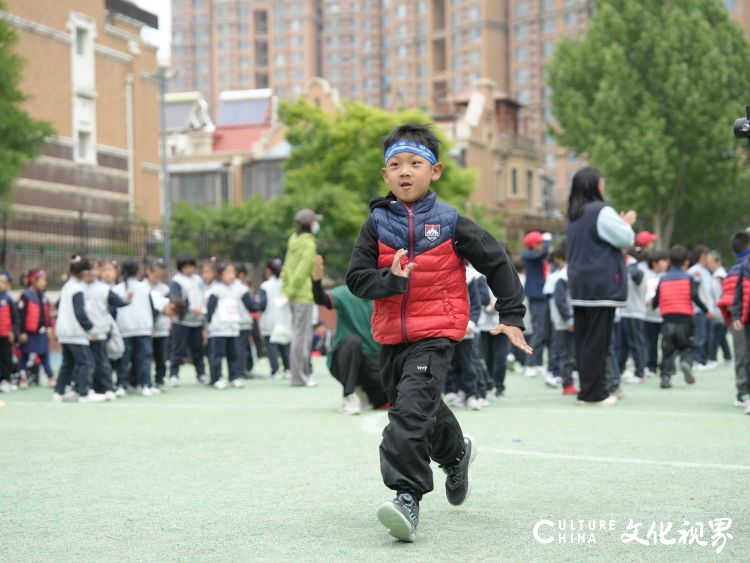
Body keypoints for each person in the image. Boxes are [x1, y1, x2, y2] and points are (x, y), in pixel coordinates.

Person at [346, 123, 531, 542]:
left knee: (408, 413)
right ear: (385, 175)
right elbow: (357, 280)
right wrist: (389, 280)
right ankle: (457, 453)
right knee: (423, 408)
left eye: (415, 163)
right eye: (395, 165)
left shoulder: (450, 222)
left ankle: (406, 497)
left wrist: (512, 314)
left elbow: (497, 261)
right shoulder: (375, 225)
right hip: (392, 336)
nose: (405, 172)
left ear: (436, 171)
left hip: (437, 333)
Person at [565, 167, 635, 406]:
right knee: (598, 342)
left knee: (585, 342)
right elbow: (626, 239)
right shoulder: (601, 211)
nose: (603, 186)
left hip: (579, 285)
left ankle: (587, 391)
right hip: (600, 285)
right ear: (593, 186)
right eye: (601, 182)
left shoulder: (574, 214)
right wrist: (626, 223)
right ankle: (594, 393)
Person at [310, 255, 388, 414]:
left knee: (393, 389)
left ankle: (368, 394)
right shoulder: (345, 293)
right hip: (343, 359)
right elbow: (321, 299)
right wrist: (316, 282)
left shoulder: (384, 297)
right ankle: (348, 396)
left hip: (371, 362)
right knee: (353, 342)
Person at [653, 245, 708, 389]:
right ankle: (686, 362)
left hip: (668, 319)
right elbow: (695, 297)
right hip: (685, 319)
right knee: (686, 346)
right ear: (686, 262)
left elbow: (656, 299)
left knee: (667, 349)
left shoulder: (663, 279)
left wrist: (652, 306)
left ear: (670, 261)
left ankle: (665, 376)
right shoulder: (688, 278)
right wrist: (706, 310)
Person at [53, 255, 104, 403]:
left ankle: (59, 392)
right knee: (86, 362)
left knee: (67, 364)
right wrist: (91, 330)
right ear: (85, 273)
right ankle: (84, 393)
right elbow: (80, 314)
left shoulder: (67, 286)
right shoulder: (77, 289)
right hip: (75, 334)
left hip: (64, 332)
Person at [282, 209, 322, 387]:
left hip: (292, 293)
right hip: (303, 294)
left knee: (298, 336)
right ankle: (300, 377)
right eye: (314, 221)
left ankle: (300, 375)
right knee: (302, 337)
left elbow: (287, 268)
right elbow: (302, 271)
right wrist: (291, 291)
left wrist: (286, 290)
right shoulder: (309, 244)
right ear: (309, 224)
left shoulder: (293, 240)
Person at [113, 260, 160, 397]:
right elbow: (152, 309)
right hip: (143, 328)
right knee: (144, 358)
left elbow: (113, 310)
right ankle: (145, 384)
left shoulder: (117, 289)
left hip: (124, 328)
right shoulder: (145, 287)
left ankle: (121, 384)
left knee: (124, 358)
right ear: (138, 271)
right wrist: (151, 323)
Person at [718, 230, 750, 410]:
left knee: (741, 356)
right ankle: (743, 392)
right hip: (742, 318)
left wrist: (731, 317)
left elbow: (726, 298)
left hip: (736, 318)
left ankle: (742, 391)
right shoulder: (742, 270)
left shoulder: (732, 271)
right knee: (744, 355)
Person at [205, 262, 248, 389]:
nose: (231, 275)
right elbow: (210, 309)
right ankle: (216, 378)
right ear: (220, 274)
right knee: (217, 355)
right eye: (227, 272)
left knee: (233, 354)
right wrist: (208, 326)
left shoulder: (236, 288)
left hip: (233, 328)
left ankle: (234, 376)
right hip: (219, 329)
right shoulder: (216, 289)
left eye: (233, 272)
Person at [169, 252, 208, 386]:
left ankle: (201, 374)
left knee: (198, 350)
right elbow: (176, 299)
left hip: (197, 321)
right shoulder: (177, 280)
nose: (189, 269)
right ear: (180, 267)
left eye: (191, 266)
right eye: (186, 267)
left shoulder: (198, 279)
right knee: (178, 349)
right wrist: (191, 308)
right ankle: (174, 374)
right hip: (182, 321)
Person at [521, 230, 551, 377]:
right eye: (539, 243)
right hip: (536, 296)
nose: (541, 245)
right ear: (532, 244)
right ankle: (530, 364)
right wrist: (547, 242)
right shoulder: (528, 254)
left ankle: (537, 363)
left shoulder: (535, 255)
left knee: (543, 331)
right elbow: (543, 254)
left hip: (543, 295)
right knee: (538, 331)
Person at [17, 269, 54, 388]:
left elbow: (46, 315)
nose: (45, 283)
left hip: (41, 333)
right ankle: (23, 378)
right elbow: (21, 315)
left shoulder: (43, 297)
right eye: (43, 280)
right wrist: (22, 332)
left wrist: (49, 327)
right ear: (33, 280)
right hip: (29, 333)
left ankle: (51, 377)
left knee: (44, 356)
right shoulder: (25, 296)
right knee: (24, 357)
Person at [548, 247, 577, 396]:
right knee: (567, 355)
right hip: (566, 323)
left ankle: (570, 382)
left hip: (571, 322)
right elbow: (560, 302)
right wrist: (568, 319)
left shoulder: (568, 274)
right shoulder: (563, 277)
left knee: (572, 354)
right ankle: (567, 384)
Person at [258, 258, 291, 380]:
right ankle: (288, 369)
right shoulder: (286, 284)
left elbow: (262, 305)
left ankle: (275, 371)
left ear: (268, 270)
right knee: (285, 346)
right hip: (284, 320)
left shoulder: (265, 286)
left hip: (269, 321)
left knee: (271, 347)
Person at [688, 245, 716, 370]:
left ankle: (703, 359)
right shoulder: (694, 271)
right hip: (699, 309)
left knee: (707, 335)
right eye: (708, 254)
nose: (710, 257)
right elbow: (694, 293)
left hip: (708, 309)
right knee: (699, 336)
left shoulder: (706, 271)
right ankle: (696, 360)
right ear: (702, 256)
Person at [146, 260, 171, 388]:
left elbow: (169, 309)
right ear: (148, 272)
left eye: (161, 275)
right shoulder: (142, 287)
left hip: (161, 328)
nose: (158, 277)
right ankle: (146, 381)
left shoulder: (165, 289)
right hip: (146, 329)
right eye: (156, 274)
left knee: (161, 356)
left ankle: (160, 379)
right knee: (146, 356)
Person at [644, 250, 669, 376]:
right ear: (655, 263)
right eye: (663, 260)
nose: (666, 263)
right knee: (651, 343)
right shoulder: (646, 275)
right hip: (649, 315)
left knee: (666, 342)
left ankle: (665, 366)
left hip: (664, 315)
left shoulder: (667, 276)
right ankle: (651, 365)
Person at [706, 250, 732, 365]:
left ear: (718, 262)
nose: (709, 265)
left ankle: (713, 359)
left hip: (722, 310)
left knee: (717, 335)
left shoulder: (721, 276)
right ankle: (727, 357)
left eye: (711, 262)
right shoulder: (715, 275)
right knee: (720, 336)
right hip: (717, 310)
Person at [0, 272, 19, 394]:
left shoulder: (8, 299)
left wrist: (14, 332)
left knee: (7, 359)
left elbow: (15, 318)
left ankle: (5, 380)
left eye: (3, 282)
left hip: (5, 335)